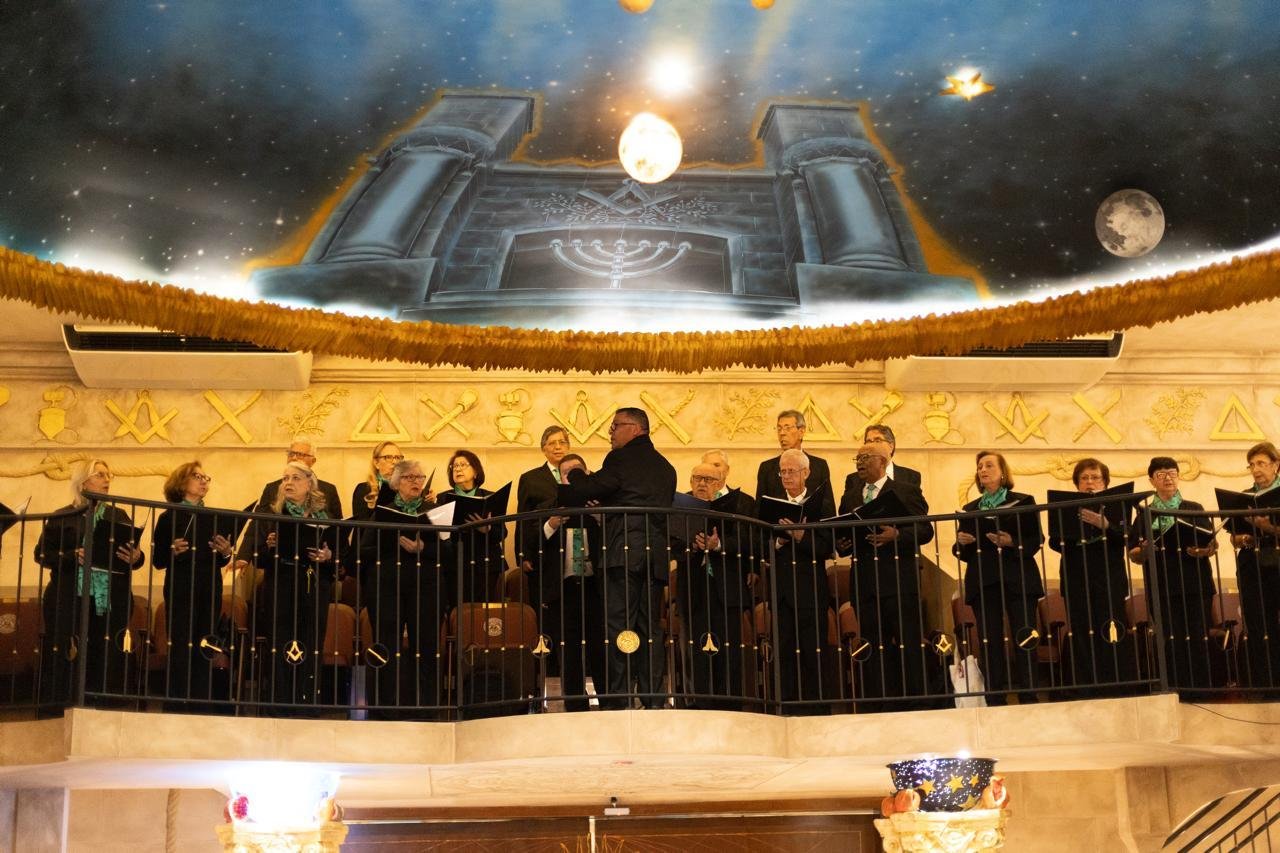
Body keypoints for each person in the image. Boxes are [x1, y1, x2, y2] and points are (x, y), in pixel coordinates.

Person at [559, 407, 677, 710]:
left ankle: (618, 698)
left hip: (623, 553)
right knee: (649, 629)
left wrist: (574, 472)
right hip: (654, 555)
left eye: (615, 426)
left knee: (618, 626)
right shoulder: (666, 467)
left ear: (636, 428)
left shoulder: (620, 459)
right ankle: (653, 698)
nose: (610, 432)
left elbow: (589, 488)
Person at [34, 459, 144, 708]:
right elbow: (41, 554)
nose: (107, 480)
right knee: (67, 649)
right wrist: (72, 555)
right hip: (68, 595)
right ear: (83, 482)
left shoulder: (118, 515)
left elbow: (133, 556)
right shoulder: (63, 516)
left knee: (105, 649)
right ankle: (64, 703)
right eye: (100, 475)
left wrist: (137, 557)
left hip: (109, 597)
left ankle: (103, 704)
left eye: (108, 475)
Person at [837, 443, 932, 709]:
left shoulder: (905, 490)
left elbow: (925, 530)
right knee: (872, 644)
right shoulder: (851, 496)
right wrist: (842, 544)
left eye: (865, 457)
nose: (859, 462)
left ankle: (916, 703)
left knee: (907, 642)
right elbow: (842, 533)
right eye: (857, 458)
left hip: (898, 580)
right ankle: (877, 703)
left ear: (882, 460)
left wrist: (898, 534)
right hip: (865, 581)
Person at [953, 451, 1044, 705]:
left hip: (1018, 577)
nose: (983, 470)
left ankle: (1029, 694)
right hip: (984, 580)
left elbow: (1036, 539)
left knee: (1025, 636)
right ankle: (995, 696)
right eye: (980, 466)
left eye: (989, 465)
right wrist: (962, 542)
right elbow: (960, 552)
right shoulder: (970, 509)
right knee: (989, 640)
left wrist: (1012, 541)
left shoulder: (1023, 501)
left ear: (1003, 472)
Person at [359, 459, 443, 717]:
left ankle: (427, 707)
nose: (416, 481)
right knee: (386, 643)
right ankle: (386, 707)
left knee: (426, 645)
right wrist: (391, 544)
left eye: (419, 477)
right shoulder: (383, 512)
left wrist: (423, 548)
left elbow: (450, 550)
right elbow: (364, 550)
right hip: (387, 585)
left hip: (426, 586)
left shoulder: (435, 511)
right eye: (409, 477)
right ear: (396, 484)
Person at [1128, 457, 1219, 696]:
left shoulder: (1194, 508)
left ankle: (1201, 689)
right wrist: (1144, 550)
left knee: (1198, 635)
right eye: (1161, 474)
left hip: (1195, 582)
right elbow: (1133, 554)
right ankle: (1174, 688)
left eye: (1172, 473)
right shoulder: (1145, 513)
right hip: (1162, 585)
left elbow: (1211, 544)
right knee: (1170, 637)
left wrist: (1203, 550)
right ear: (1151, 480)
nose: (1168, 478)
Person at [1046, 458, 1137, 696]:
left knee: (1112, 626)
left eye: (1095, 478)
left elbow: (1126, 536)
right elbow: (1054, 541)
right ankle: (1085, 685)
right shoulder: (1066, 506)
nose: (1089, 482)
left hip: (1108, 576)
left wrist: (1105, 524)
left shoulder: (1116, 505)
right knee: (1081, 629)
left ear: (1105, 483)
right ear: (1077, 484)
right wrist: (1072, 531)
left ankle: (1114, 684)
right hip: (1076, 576)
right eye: (1084, 478)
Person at [670, 461, 757, 711]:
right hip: (693, 589)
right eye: (697, 478)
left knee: (728, 651)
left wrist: (717, 545)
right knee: (694, 651)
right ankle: (697, 704)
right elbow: (671, 544)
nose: (701, 483)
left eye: (708, 479)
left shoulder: (735, 507)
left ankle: (729, 704)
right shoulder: (680, 508)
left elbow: (747, 541)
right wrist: (693, 544)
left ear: (720, 483)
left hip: (725, 589)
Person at [151, 461, 235, 711]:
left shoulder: (214, 517)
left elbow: (222, 560)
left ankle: (201, 702)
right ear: (181, 482)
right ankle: (177, 702)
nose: (203, 481)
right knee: (181, 643)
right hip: (181, 587)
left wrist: (226, 552)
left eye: (206, 478)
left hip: (209, 587)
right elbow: (158, 561)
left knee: (206, 642)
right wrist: (172, 550)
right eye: (197, 476)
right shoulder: (168, 517)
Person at [758, 448, 835, 714]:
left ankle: (817, 709)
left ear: (806, 473)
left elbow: (828, 546)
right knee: (783, 652)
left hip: (810, 588)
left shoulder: (821, 505)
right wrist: (779, 541)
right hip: (781, 590)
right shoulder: (771, 505)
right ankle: (785, 708)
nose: (786, 476)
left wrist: (802, 537)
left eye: (791, 471)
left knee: (814, 651)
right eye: (783, 472)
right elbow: (759, 544)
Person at [255, 461, 336, 712]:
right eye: (285, 478)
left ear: (310, 484)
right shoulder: (273, 514)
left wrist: (328, 556)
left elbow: (338, 554)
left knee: (311, 640)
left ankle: (307, 702)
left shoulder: (326, 518)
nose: (288, 483)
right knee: (280, 640)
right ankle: (279, 702)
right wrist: (269, 546)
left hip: (314, 582)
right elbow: (259, 558)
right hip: (281, 581)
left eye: (295, 478)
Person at [528, 453, 607, 712]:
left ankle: (608, 700)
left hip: (596, 587)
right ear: (559, 479)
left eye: (577, 471)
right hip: (563, 588)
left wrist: (601, 520)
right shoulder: (548, 507)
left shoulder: (601, 504)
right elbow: (530, 545)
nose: (571, 477)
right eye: (566, 473)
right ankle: (574, 703)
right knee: (568, 649)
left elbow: (619, 539)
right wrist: (550, 525)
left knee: (600, 646)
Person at [1231, 441, 1280, 690]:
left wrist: (1267, 528)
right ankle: (1264, 684)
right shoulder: (1245, 497)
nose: (1256, 469)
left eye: (1261, 463)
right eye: (1251, 465)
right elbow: (1233, 536)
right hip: (1252, 566)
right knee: (1258, 623)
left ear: (1276, 465)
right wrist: (1243, 538)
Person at [437, 449, 507, 604]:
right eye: (454, 466)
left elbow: (502, 533)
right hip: (454, 564)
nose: (458, 469)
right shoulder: (442, 498)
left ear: (476, 472)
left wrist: (487, 529)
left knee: (482, 611)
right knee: (457, 609)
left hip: (485, 564)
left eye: (463, 465)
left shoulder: (491, 497)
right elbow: (440, 534)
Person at [756, 410, 830, 501]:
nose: (782, 433)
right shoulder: (767, 468)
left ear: (801, 431)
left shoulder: (819, 466)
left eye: (787, 428)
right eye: (779, 429)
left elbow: (828, 507)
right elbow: (759, 507)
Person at [841, 425, 921, 507]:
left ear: (891, 446)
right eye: (868, 441)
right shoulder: (853, 479)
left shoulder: (910, 477)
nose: (872, 445)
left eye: (877, 440)